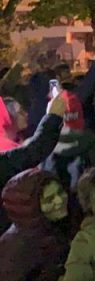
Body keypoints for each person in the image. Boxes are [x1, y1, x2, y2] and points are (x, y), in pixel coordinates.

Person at [0, 94, 66, 232]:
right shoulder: (5, 147)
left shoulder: (16, 141)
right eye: (19, 112)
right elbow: (33, 152)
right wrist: (53, 116)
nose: (26, 114)